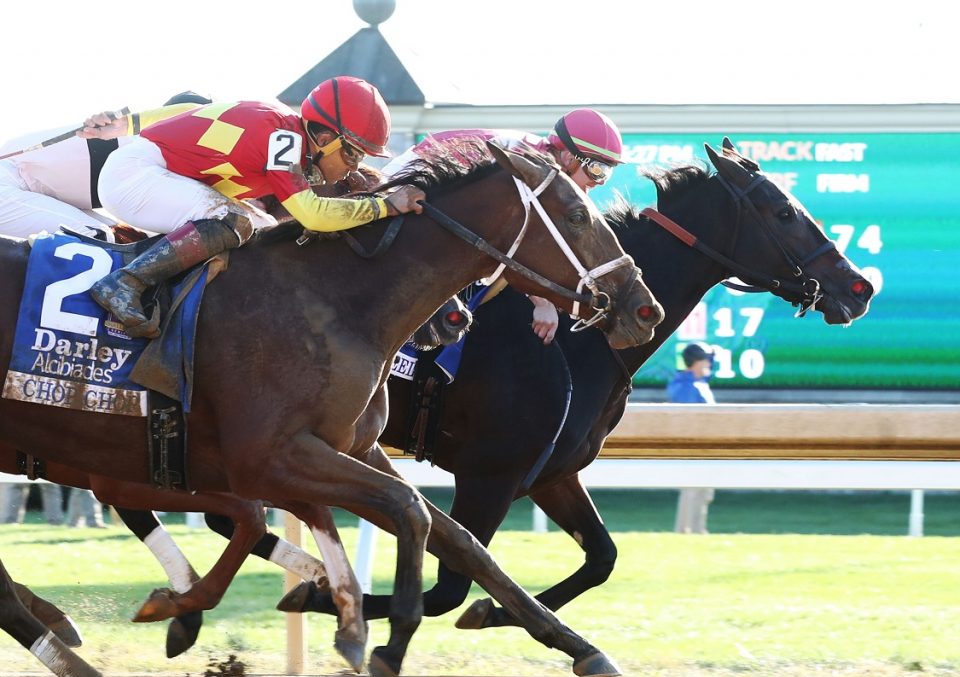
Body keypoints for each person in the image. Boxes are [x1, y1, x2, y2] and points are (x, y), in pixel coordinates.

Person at [86, 76, 427, 338]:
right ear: (324, 140)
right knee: (235, 222)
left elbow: (188, 113)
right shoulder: (284, 138)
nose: (353, 167)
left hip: (149, 174)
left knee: (265, 230)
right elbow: (312, 215)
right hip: (135, 177)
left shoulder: (281, 123)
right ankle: (125, 283)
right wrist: (385, 207)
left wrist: (127, 125)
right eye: (353, 153)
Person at [382, 109, 625, 345]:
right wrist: (543, 303)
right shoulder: (530, 166)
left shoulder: (544, 167)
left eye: (608, 173)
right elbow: (517, 247)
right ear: (569, 158)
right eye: (597, 169)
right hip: (399, 192)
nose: (599, 181)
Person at [0, 92, 212, 241]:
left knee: (134, 242)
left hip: (39, 194)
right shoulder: (144, 142)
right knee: (107, 241)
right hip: (8, 184)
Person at [667, 342, 717, 534]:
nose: (709, 364)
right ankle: (685, 530)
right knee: (691, 490)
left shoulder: (697, 382)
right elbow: (688, 420)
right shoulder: (685, 386)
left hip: (705, 446)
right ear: (696, 362)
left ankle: (698, 530)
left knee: (703, 491)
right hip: (694, 446)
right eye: (706, 359)